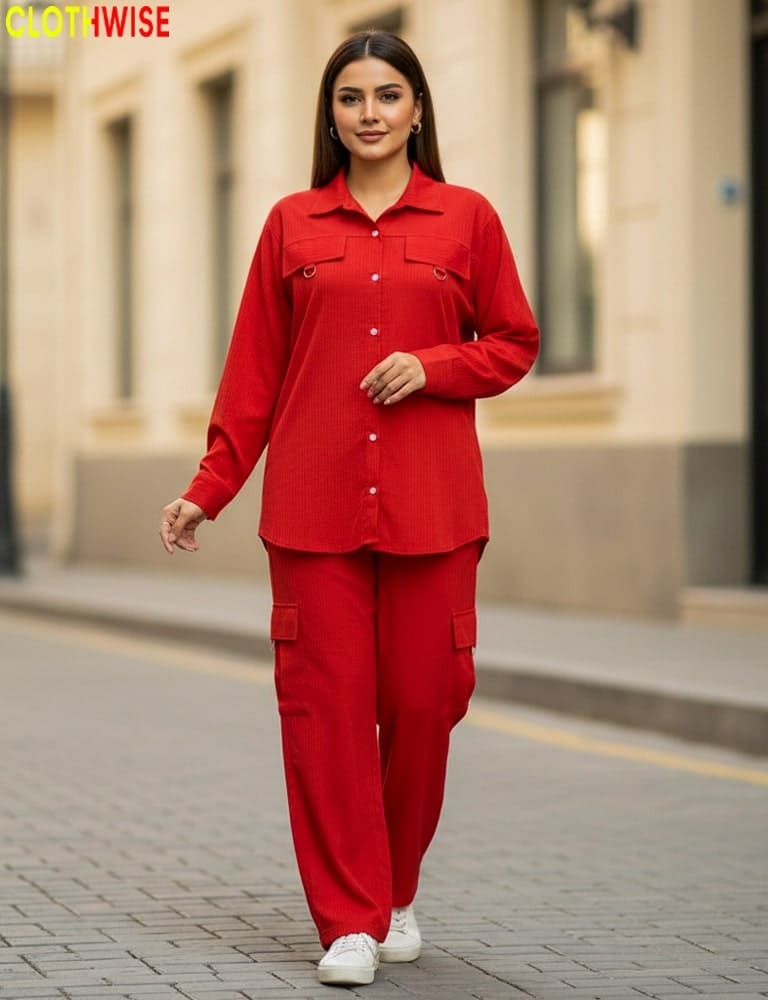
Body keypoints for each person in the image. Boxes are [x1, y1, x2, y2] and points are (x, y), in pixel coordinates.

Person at [159, 29, 539, 988]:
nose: (369, 113)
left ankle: (396, 887)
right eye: (350, 98)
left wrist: (439, 365)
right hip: (313, 510)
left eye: (388, 95)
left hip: (434, 507)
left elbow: (515, 340)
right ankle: (350, 921)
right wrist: (209, 487)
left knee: (426, 700)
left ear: (417, 109)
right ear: (329, 115)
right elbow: (254, 373)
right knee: (325, 711)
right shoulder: (292, 225)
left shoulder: (468, 219)